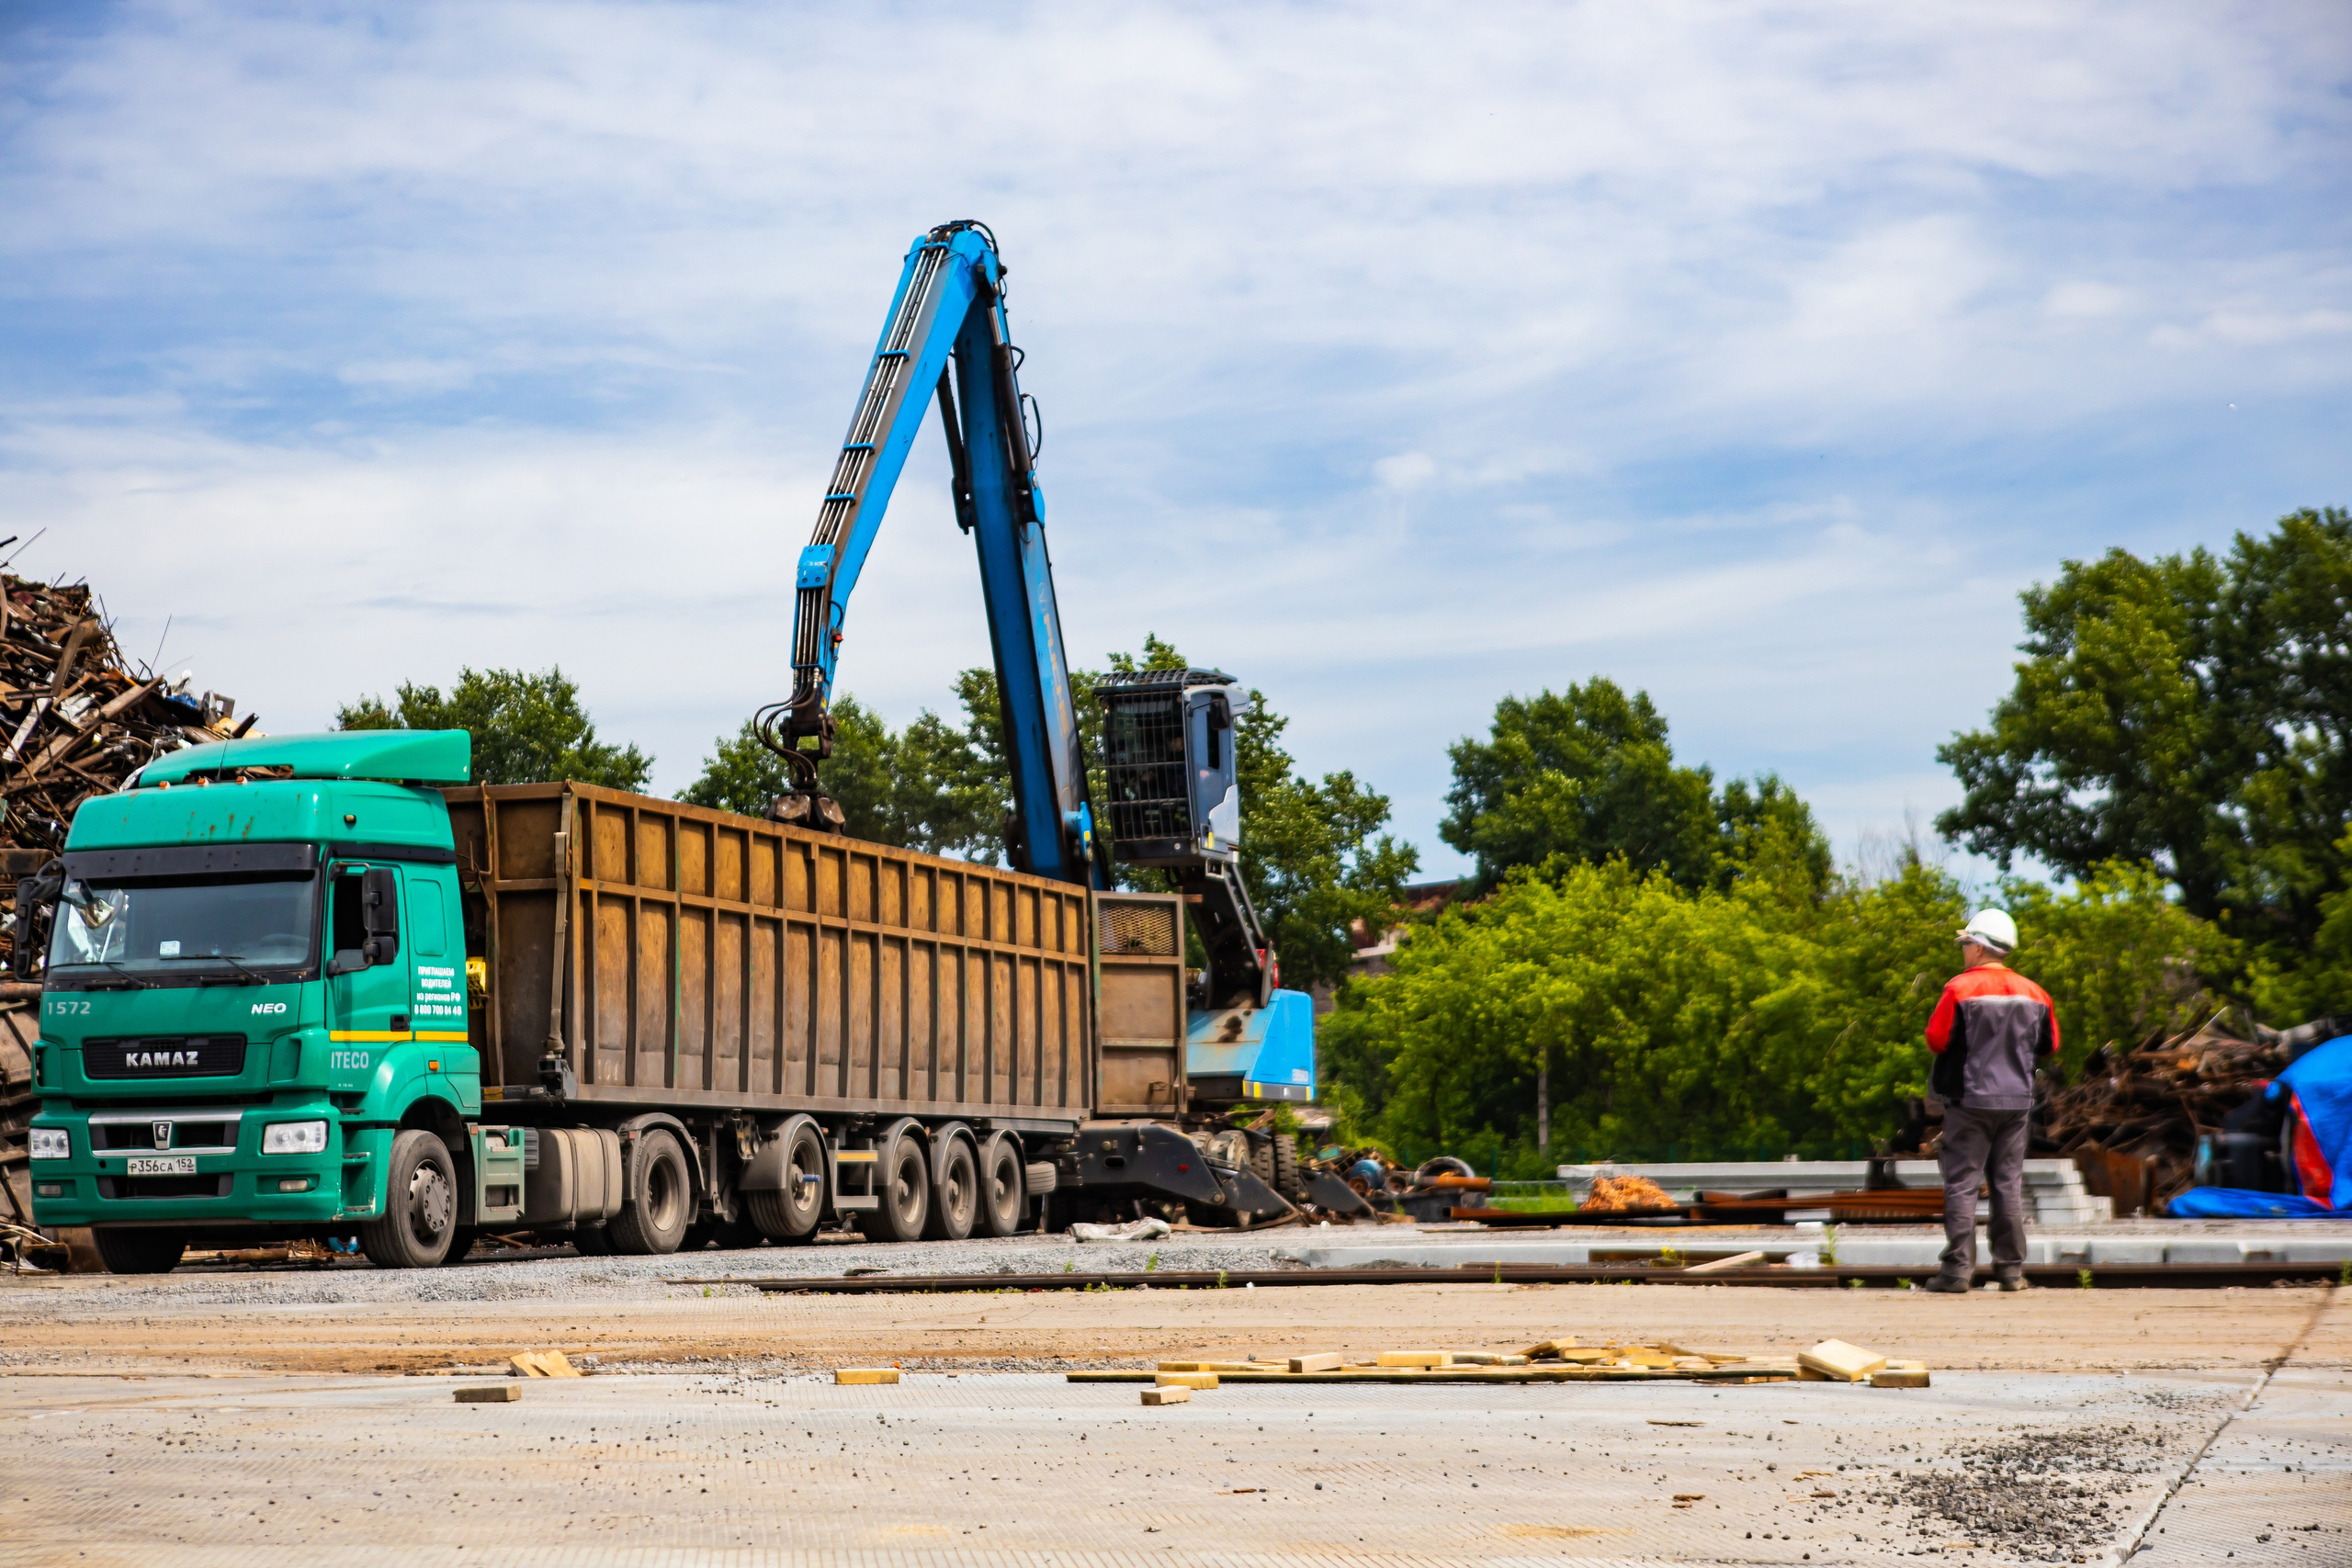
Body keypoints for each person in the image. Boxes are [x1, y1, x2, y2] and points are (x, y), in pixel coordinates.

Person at [1920, 908, 2056, 1293]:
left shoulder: (1959, 989)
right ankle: (2011, 1271)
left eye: (1966, 943)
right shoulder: (2036, 993)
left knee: (1962, 1184)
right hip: (2017, 1102)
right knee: (2007, 1184)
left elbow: (1936, 1040)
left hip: (1970, 1100)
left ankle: (1957, 1272)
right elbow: (2050, 1045)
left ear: (1980, 948)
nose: (1963, 950)